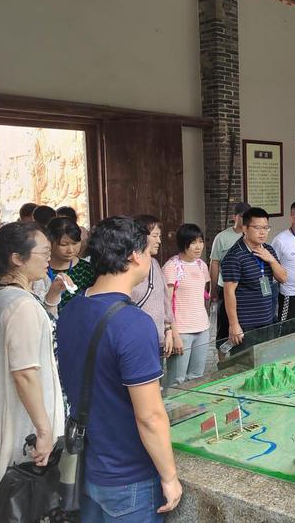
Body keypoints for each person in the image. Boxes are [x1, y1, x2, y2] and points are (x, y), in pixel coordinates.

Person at [57, 217, 181, 521]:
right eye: (148, 250)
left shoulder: (71, 309)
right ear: (135, 256)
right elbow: (150, 416)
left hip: (88, 468)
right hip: (130, 477)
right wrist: (169, 476)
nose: (151, 257)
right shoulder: (133, 323)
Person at [0, 222, 65, 499]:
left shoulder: (0, 296)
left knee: (0, 488)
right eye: (44, 253)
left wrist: (51, 298)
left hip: (10, 413)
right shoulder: (21, 304)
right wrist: (43, 430)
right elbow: (24, 373)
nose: (49, 259)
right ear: (17, 259)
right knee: (20, 497)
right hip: (25, 422)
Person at [221, 207, 287, 348]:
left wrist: (271, 260)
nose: (263, 232)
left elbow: (283, 278)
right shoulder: (234, 256)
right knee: (246, 360)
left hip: (268, 318)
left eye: (266, 228)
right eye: (257, 228)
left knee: (267, 358)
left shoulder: (268, 250)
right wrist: (234, 325)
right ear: (245, 228)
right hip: (246, 323)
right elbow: (228, 292)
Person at [162, 224, 210, 386]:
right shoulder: (171, 267)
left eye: (201, 241)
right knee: (177, 381)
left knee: (197, 377)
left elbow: (202, 296)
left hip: (202, 328)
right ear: (183, 243)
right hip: (182, 331)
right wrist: (174, 335)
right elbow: (166, 304)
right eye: (193, 242)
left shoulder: (201, 265)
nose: (198, 247)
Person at [132, 215, 177, 365]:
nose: (159, 241)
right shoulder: (127, 266)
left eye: (159, 236)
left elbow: (164, 299)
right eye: (155, 236)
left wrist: (168, 330)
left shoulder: (155, 264)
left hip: (157, 338)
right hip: (136, 340)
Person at [209, 202, 249, 349]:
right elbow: (214, 263)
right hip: (225, 286)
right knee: (224, 326)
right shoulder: (222, 237)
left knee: (244, 325)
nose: (245, 219)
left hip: (246, 289)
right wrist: (213, 289)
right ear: (234, 217)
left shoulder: (252, 235)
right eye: (242, 216)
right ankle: (222, 358)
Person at [41, 216, 96, 310]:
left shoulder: (87, 271)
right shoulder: (39, 270)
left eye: (75, 243)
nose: (70, 250)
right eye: (64, 245)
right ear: (50, 242)